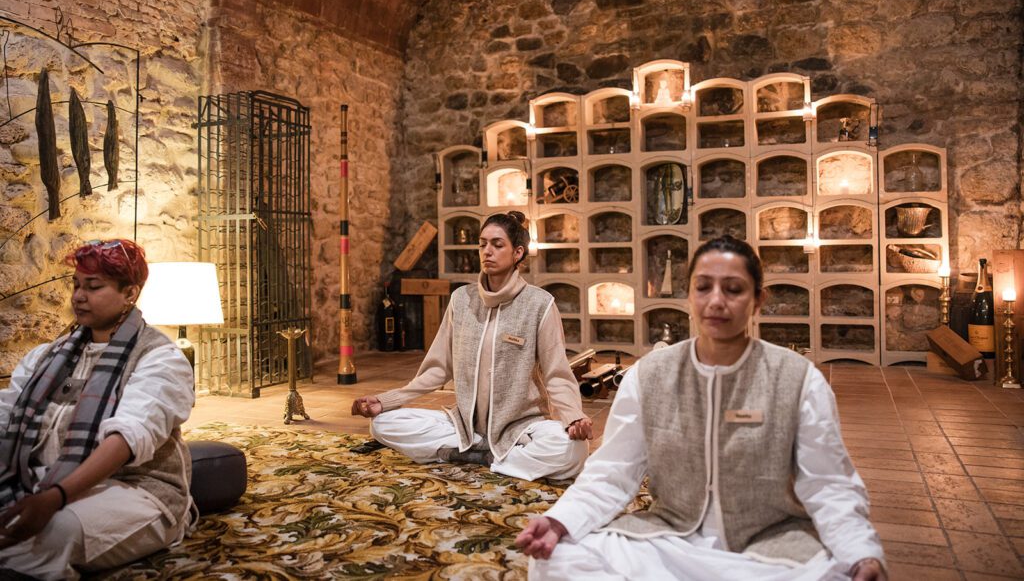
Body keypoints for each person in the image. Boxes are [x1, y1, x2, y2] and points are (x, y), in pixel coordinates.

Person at [517, 235, 888, 580]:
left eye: (733, 289)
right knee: (557, 558)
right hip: (669, 539)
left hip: (764, 550)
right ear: (689, 296)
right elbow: (612, 472)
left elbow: (829, 485)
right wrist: (559, 521)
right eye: (703, 287)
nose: (716, 301)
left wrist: (862, 553)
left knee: (834, 573)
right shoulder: (649, 375)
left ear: (758, 300)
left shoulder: (798, 379)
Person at [0, 239, 195, 579]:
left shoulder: (159, 358)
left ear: (129, 293)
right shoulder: (47, 355)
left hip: (137, 490)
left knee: (45, 535)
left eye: (93, 286)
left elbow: (126, 440)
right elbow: (8, 415)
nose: (78, 295)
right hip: (45, 479)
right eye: (76, 284)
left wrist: (56, 498)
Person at [352, 210, 591, 481]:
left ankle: (478, 458)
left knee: (574, 450)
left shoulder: (540, 304)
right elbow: (437, 370)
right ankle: (486, 456)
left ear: (518, 253)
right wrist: (386, 401)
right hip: (466, 426)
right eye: (482, 244)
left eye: (497, 244)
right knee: (383, 424)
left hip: (521, 428)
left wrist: (574, 416)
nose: (487, 251)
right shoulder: (460, 300)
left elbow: (557, 375)